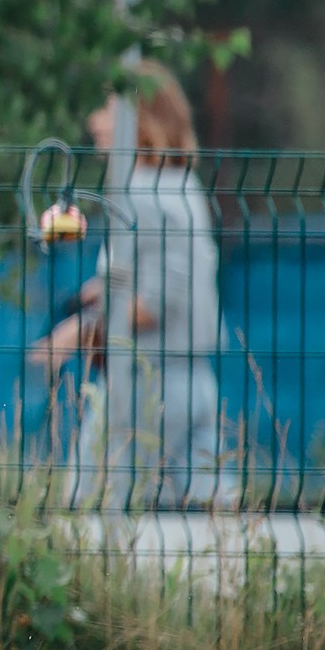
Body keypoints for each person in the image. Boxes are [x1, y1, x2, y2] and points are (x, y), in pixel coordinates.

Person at [28, 60, 228, 509]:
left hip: (144, 384)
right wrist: (101, 290)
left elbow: (153, 304)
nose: (94, 122)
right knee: (206, 523)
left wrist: (77, 332)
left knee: (88, 510)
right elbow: (169, 274)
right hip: (195, 379)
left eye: (107, 110)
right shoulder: (182, 187)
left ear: (140, 121)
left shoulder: (140, 193)